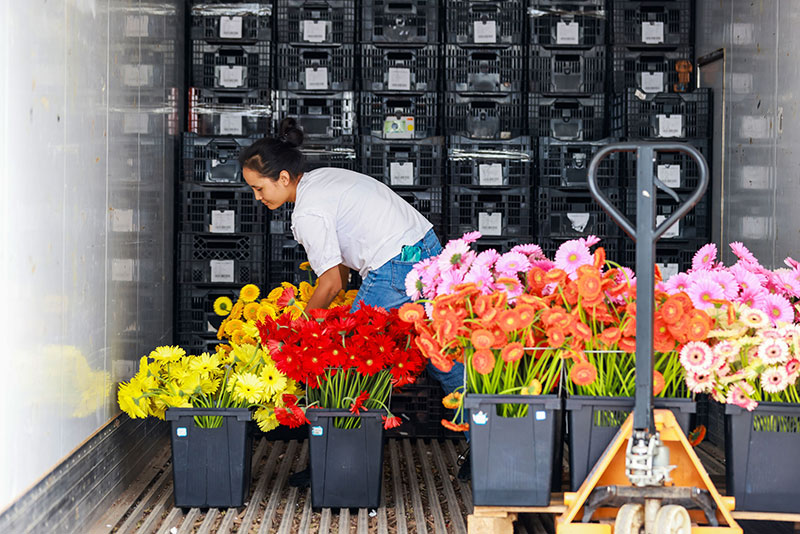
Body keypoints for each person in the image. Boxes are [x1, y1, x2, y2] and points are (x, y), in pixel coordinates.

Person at [239, 118, 469, 483]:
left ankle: (334, 463)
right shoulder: (321, 180)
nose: (257, 196)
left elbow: (330, 282)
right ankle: (484, 441)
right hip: (425, 251)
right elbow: (341, 273)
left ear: (283, 178)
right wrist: (333, 310)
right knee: (439, 350)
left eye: (258, 187)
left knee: (346, 359)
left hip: (393, 265)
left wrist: (302, 330)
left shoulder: (307, 212)